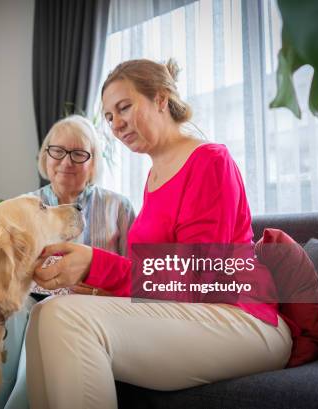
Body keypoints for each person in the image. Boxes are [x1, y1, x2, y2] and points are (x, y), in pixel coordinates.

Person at [26, 59, 293, 409]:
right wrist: (95, 288)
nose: (116, 124)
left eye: (124, 107)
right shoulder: (153, 178)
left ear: (162, 99)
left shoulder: (210, 160)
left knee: (67, 318)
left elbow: (200, 277)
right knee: (44, 314)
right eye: (108, 117)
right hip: (196, 314)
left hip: (244, 318)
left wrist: (95, 264)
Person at [0, 114, 135, 408]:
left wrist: (101, 291)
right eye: (57, 151)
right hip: (29, 301)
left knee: (34, 360)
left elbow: (137, 275)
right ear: (45, 156)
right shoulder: (23, 205)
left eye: (79, 153)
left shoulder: (119, 207)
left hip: (88, 308)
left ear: (93, 162)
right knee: (6, 336)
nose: (66, 162)